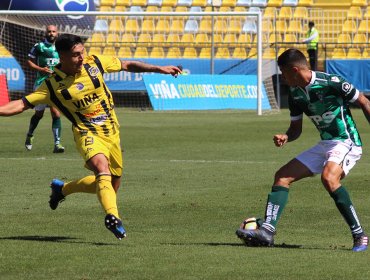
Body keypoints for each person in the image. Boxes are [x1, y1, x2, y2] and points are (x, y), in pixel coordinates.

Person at [0, 34, 182, 239]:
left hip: (112, 133)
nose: (81, 57)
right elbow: (22, 104)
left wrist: (159, 69)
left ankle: (63, 189)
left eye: (82, 52)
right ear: (62, 56)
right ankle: (113, 217)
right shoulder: (51, 86)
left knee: (110, 185)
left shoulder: (94, 63)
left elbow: (127, 64)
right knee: (101, 168)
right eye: (76, 55)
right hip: (86, 132)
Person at [236, 48, 370, 252]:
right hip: (326, 144)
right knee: (281, 177)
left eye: (283, 72)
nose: (282, 77)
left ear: (295, 70)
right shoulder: (295, 94)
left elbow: (364, 101)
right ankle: (268, 231)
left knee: (329, 178)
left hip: (346, 141)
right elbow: (296, 129)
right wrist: (287, 136)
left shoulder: (332, 82)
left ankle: (359, 235)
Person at [26, 25, 65, 153]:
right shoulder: (39, 46)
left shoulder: (61, 47)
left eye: (53, 31)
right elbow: (30, 61)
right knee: (39, 114)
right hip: (41, 84)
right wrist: (41, 69)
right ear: (45, 33)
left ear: (57, 33)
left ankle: (57, 144)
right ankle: (30, 134)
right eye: (49, 31)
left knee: (56, 112)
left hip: (56, 84)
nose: (51, 33)